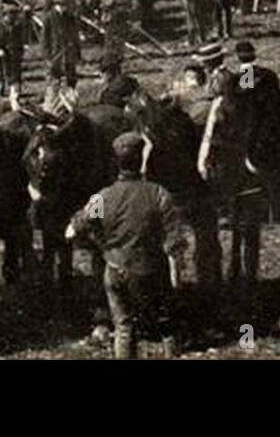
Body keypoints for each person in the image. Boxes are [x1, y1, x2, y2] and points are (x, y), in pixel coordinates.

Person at [66, 132, 189, 359]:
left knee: (124, 328)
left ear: (116, 162)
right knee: (167, 327)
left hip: (115, 269)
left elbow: (73, 230)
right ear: (143, 160)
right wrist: (176, 278)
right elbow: (174, 241)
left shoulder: (103, 197)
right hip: (151, 272)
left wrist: (100, 244)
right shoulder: (159, 194)